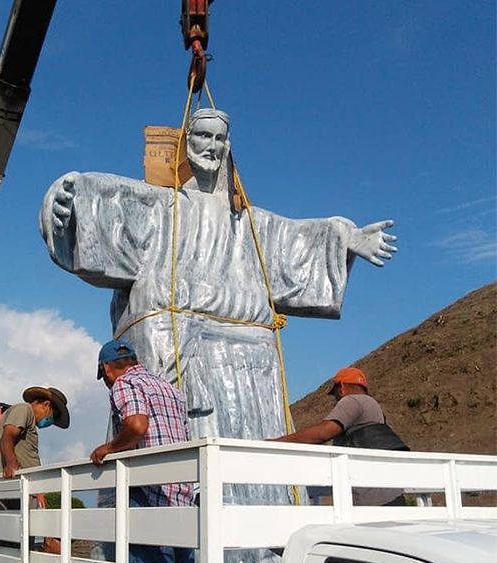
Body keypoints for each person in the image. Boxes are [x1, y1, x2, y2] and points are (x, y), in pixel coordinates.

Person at [42, 108, 398, 442]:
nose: (212, 146)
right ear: (186, 142)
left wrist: (346, 239)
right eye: (203, 137)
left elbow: (299, 240)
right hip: (177, 346)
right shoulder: (161, 208)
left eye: (220, 139)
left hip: (250, 363)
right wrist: (66, 207)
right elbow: (98, 199)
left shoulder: (249, 224)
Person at [90, 339, 195, 563]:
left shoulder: (124, 384)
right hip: (182, 497)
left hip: (150, 496)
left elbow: (136, 426)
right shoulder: (170, 389)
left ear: (107, 369)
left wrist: (108, 448)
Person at [272, 366, 408, 505]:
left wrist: (277, 442)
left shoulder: (352, 401)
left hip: (371, 501)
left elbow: (322, 433)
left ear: (341, 387)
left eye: (335, 394)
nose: (336, 399)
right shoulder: (374, 407)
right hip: (390, 495)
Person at [0, 386, 70, 479]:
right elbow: (7, 437)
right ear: (46, 405)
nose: (51, 421)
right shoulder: (24, 409)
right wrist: (12, 463)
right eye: (52, 416)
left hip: (29, 485)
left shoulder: (29, 420)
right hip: (19, 483)